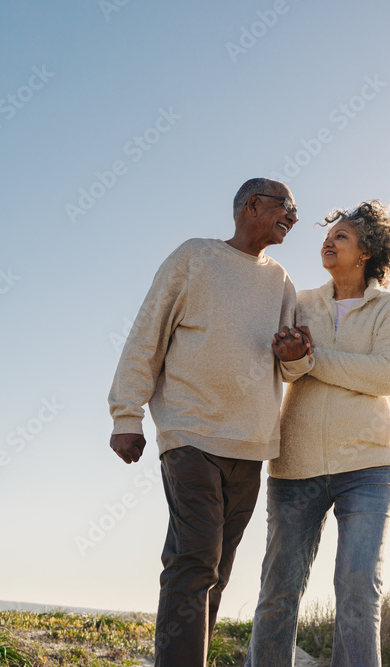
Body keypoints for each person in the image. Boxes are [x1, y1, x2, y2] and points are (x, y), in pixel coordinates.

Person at [107, 177, 308, 667]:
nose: (295, 217)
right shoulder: (194, 257)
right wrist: (126, 414)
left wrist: (296, 355)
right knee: (196, 559)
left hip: (251, 445)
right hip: (190, 433)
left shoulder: (280, 279)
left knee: (210, 566)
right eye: (288, 206)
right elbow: (146, 335)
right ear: (252, 205)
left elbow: (290, 364)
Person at [246, 200, 390, 667]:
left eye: (341, 236)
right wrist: (298, 357)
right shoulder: (300, 303)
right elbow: (290, 372)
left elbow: (389, 374)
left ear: (367, 252)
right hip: (296, 465)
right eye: (329, 234)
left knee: (358, 588)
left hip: (368, 467)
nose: (328, 241)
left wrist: (314, 356)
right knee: (279, 588)